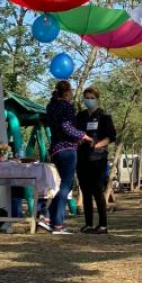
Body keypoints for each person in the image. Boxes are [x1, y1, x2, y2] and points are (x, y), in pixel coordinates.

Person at [44, 80, 91, 234]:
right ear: (66, 93)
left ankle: (47, 217)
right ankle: (57, 224)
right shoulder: (66, 106)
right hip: (67, 149)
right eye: (70, 92)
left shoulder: (50, 106)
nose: (71, 95)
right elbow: (67, 126)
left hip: (56, 149)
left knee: (66, 185)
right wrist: (83, 135)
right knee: (66, 185)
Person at [75, 86, 117, 234]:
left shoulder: (104, 116)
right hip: (82, 158)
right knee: (85, 191)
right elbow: (75, 133)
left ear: (97, 99)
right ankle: (88, 224)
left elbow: (111, 136)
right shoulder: (80, 116)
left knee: (98, 191)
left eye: (92, 98)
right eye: (87, 97)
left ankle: (103, 225)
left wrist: (98, 144)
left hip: (98, 159)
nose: (89, 100)